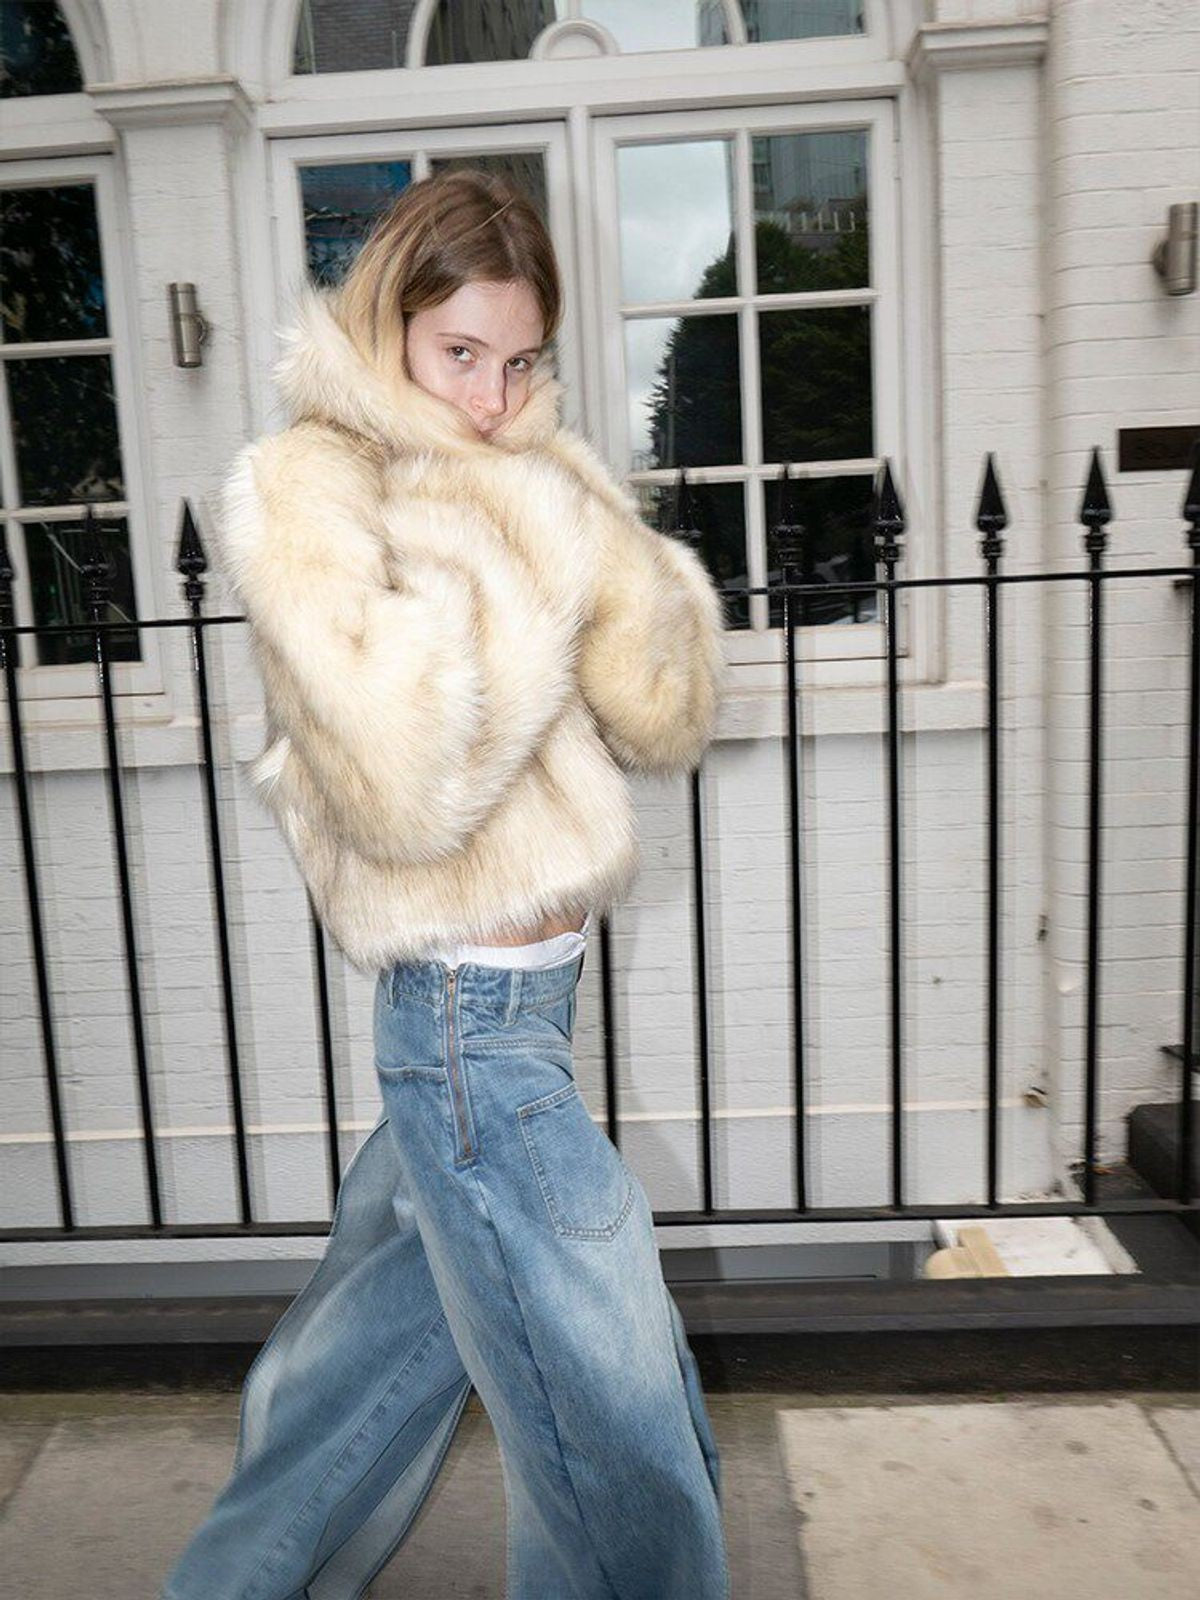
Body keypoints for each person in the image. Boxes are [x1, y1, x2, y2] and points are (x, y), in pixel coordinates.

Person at [163, 168, 730, 1600]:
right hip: (469, 1025)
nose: (491, 397)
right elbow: (399, 780)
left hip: (522, 1015)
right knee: (619, 1410)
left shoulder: (523, 469)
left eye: (520, 360)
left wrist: (599, 536)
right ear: (389, 325)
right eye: (460, 354)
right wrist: (528, 541)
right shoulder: (312, 484)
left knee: (359, 1382)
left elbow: (661, 708)